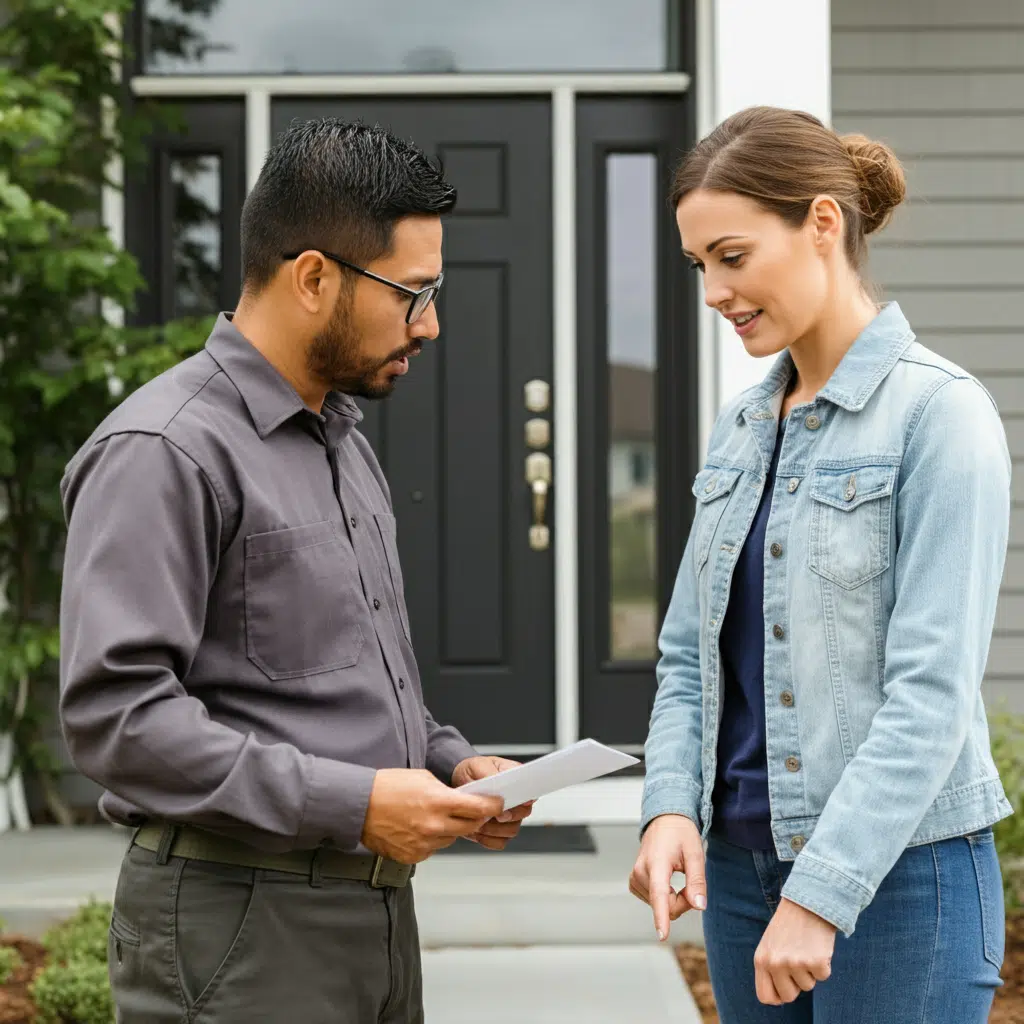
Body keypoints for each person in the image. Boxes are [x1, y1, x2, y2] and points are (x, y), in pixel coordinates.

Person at [58, 118, 532, 1024]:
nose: (430, 326)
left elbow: (334, 673)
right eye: (412, 294)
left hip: (373, 917)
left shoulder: (341, 443)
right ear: (313, 277)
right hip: (238, 927)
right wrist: (355, 804)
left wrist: (446, 763)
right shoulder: (163, 450)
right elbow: (115, 719)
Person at [629, 106, 1012, 1022]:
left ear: (823, 224)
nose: (715, 291)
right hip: (741, 869)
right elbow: (688, 658)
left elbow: (930, 695)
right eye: (699, 267)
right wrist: (669, 808)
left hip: (902, 883)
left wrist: (819, 894)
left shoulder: (939, 416)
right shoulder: (741, 426)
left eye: (733, 255)